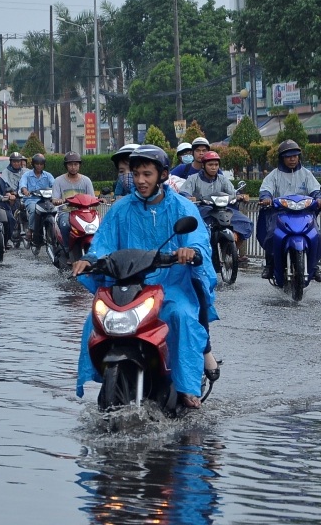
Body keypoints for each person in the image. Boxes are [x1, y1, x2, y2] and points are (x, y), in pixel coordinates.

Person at [70, 145, 219, 410]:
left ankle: (186, 386)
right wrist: (90, 260)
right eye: (136, 174)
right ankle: (102, 374)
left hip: (171, 286)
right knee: (92, 320)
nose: (140, 180)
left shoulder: (182, 207)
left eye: (147, 174)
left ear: (162, 175)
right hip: (130, 288)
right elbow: (102, 243)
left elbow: (198, 241)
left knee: (181, 316)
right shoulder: (121, 208)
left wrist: (190, 251)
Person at [257, 140, 321, 281]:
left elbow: (316, 190)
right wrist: (266, 197)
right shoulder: (274, 175)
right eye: (289, 156)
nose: (292, 159)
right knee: (272, 234)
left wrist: (319, 198)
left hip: (304, 214)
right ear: (281, 158)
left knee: (315, 234)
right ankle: (270, 264)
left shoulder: (306, 174)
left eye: (295, 156)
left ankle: (314, 266)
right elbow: (266, 189)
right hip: (280, 213)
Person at [180, 151, 254, 255]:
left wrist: (241, 197)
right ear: (203, 166)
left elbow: (232, 193)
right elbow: (184, 192)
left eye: (216, 164)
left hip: (223, 210)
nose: (214, 167)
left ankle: (231, 252)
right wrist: (188, 197)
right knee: (201, 232)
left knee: (246, 222)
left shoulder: (222, 179)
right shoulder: (193, 179)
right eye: (210, 165)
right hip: (203, 210)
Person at [53, 152, 95, 247]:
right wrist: (57, 200)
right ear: (66, 166)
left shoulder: (86, 180)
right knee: (65, 226)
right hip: (66, 212)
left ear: (79, 165)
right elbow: (54, 198)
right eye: (70, 164)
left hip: (84, 212)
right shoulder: (58, 180)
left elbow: (92, 197)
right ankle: (67, 249)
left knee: (96, 226)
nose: (73, 167)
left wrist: (99, 200)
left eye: (76, 164)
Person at [19, 153, 55, 246]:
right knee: (34, 209)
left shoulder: (48, 175)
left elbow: (54, 185)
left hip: (45, 200)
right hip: (31, 199)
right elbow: (22, 184)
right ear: (33, 164)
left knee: (54, 210)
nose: (39, 166)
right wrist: (25, 190)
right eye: (37, 164)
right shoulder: (27, 175)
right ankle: (30, 230)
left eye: (41, 164)